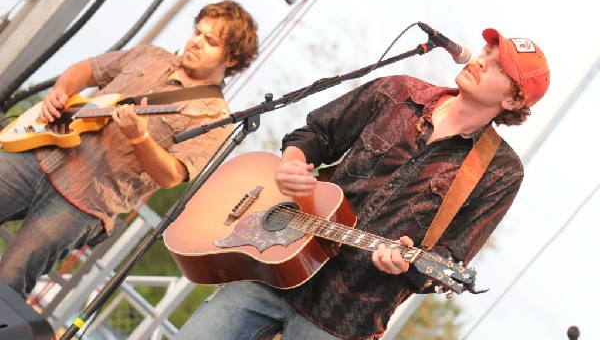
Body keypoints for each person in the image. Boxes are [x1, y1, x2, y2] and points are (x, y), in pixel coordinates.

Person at [174, 28, 550, 340]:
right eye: (486, 50)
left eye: (498, 66)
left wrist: (407, 264)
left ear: (514, 99)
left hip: (344, 317)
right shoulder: (396, 92)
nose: (481, 59)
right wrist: (291, 161)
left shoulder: (500, 171)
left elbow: (451, 260)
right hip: (274, 264)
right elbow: (317, 134)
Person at [0, 0, 259, 299]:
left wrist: (139, 138)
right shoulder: (151, 55)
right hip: (40, 154)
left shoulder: (215, 117)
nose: (197, 42)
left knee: (9, 280)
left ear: (232, 57)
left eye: (210, 41)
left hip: (83, 202)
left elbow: (171, 176)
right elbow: (87, 69)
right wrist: (61, 91)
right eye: (197, 32)